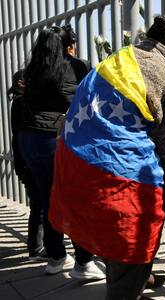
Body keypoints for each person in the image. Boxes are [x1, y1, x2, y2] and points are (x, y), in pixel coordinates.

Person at [49, 15, 165, 299]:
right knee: (130, 261)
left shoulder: (116, 61)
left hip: (73, 173)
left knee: (114, 249)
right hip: (122, 189)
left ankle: (136, 279)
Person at [19, 25, 104, 280]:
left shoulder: (33, 69)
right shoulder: (77, 66)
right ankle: (84, 263)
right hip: (55, 140)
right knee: (75, 201)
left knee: (48, 199)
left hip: (28, 139)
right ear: (68, 46)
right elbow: (92, 101)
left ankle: (56, 258)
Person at [8, 70, 47, 261]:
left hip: (26, 162)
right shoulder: (21, 103)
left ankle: (38, 247)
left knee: (38, 206)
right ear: (23, 83)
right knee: (39, 206)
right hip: (29, 162)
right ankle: (37, 248)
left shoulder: (18, 102)